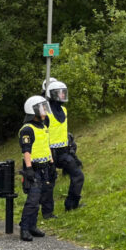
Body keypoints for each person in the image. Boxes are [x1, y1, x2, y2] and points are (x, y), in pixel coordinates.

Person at [18, 95, 57, 241]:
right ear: (33, 110)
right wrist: (28, 169)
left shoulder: (44, 126)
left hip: (45, 167)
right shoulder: (27, 129)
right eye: (42, 108)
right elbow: (26, 150)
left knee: (41, 196)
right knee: (33, 200)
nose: (45, 111)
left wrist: (52, 163)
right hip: (33, 168)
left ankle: (33, 226)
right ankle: (25, 228)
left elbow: (46, 147)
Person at [46, 80, 85, 211]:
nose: (62, 95)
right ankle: (47, 212)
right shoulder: (45, 112)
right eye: (59, 93)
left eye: (64, 92)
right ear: (52, 94)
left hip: (64, 152)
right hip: (49, 153)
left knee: (78, 176)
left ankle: (71, 205)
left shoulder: (64, 110)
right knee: (48, 183)